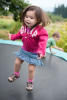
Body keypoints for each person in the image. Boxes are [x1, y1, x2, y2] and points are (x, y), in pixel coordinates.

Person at [8, 5, 49, 91]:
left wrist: (41, 51)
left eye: (31, 18)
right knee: (17, 62)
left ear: (38, 19)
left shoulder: (41, 30)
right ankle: (16, 74)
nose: (27, 19)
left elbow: (43, 41)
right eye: (26, 17)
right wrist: (12, 37)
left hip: (34, 53)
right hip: (24, 50)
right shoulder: (24, 27)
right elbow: (19, 35)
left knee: (31, 69)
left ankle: (30, 82)